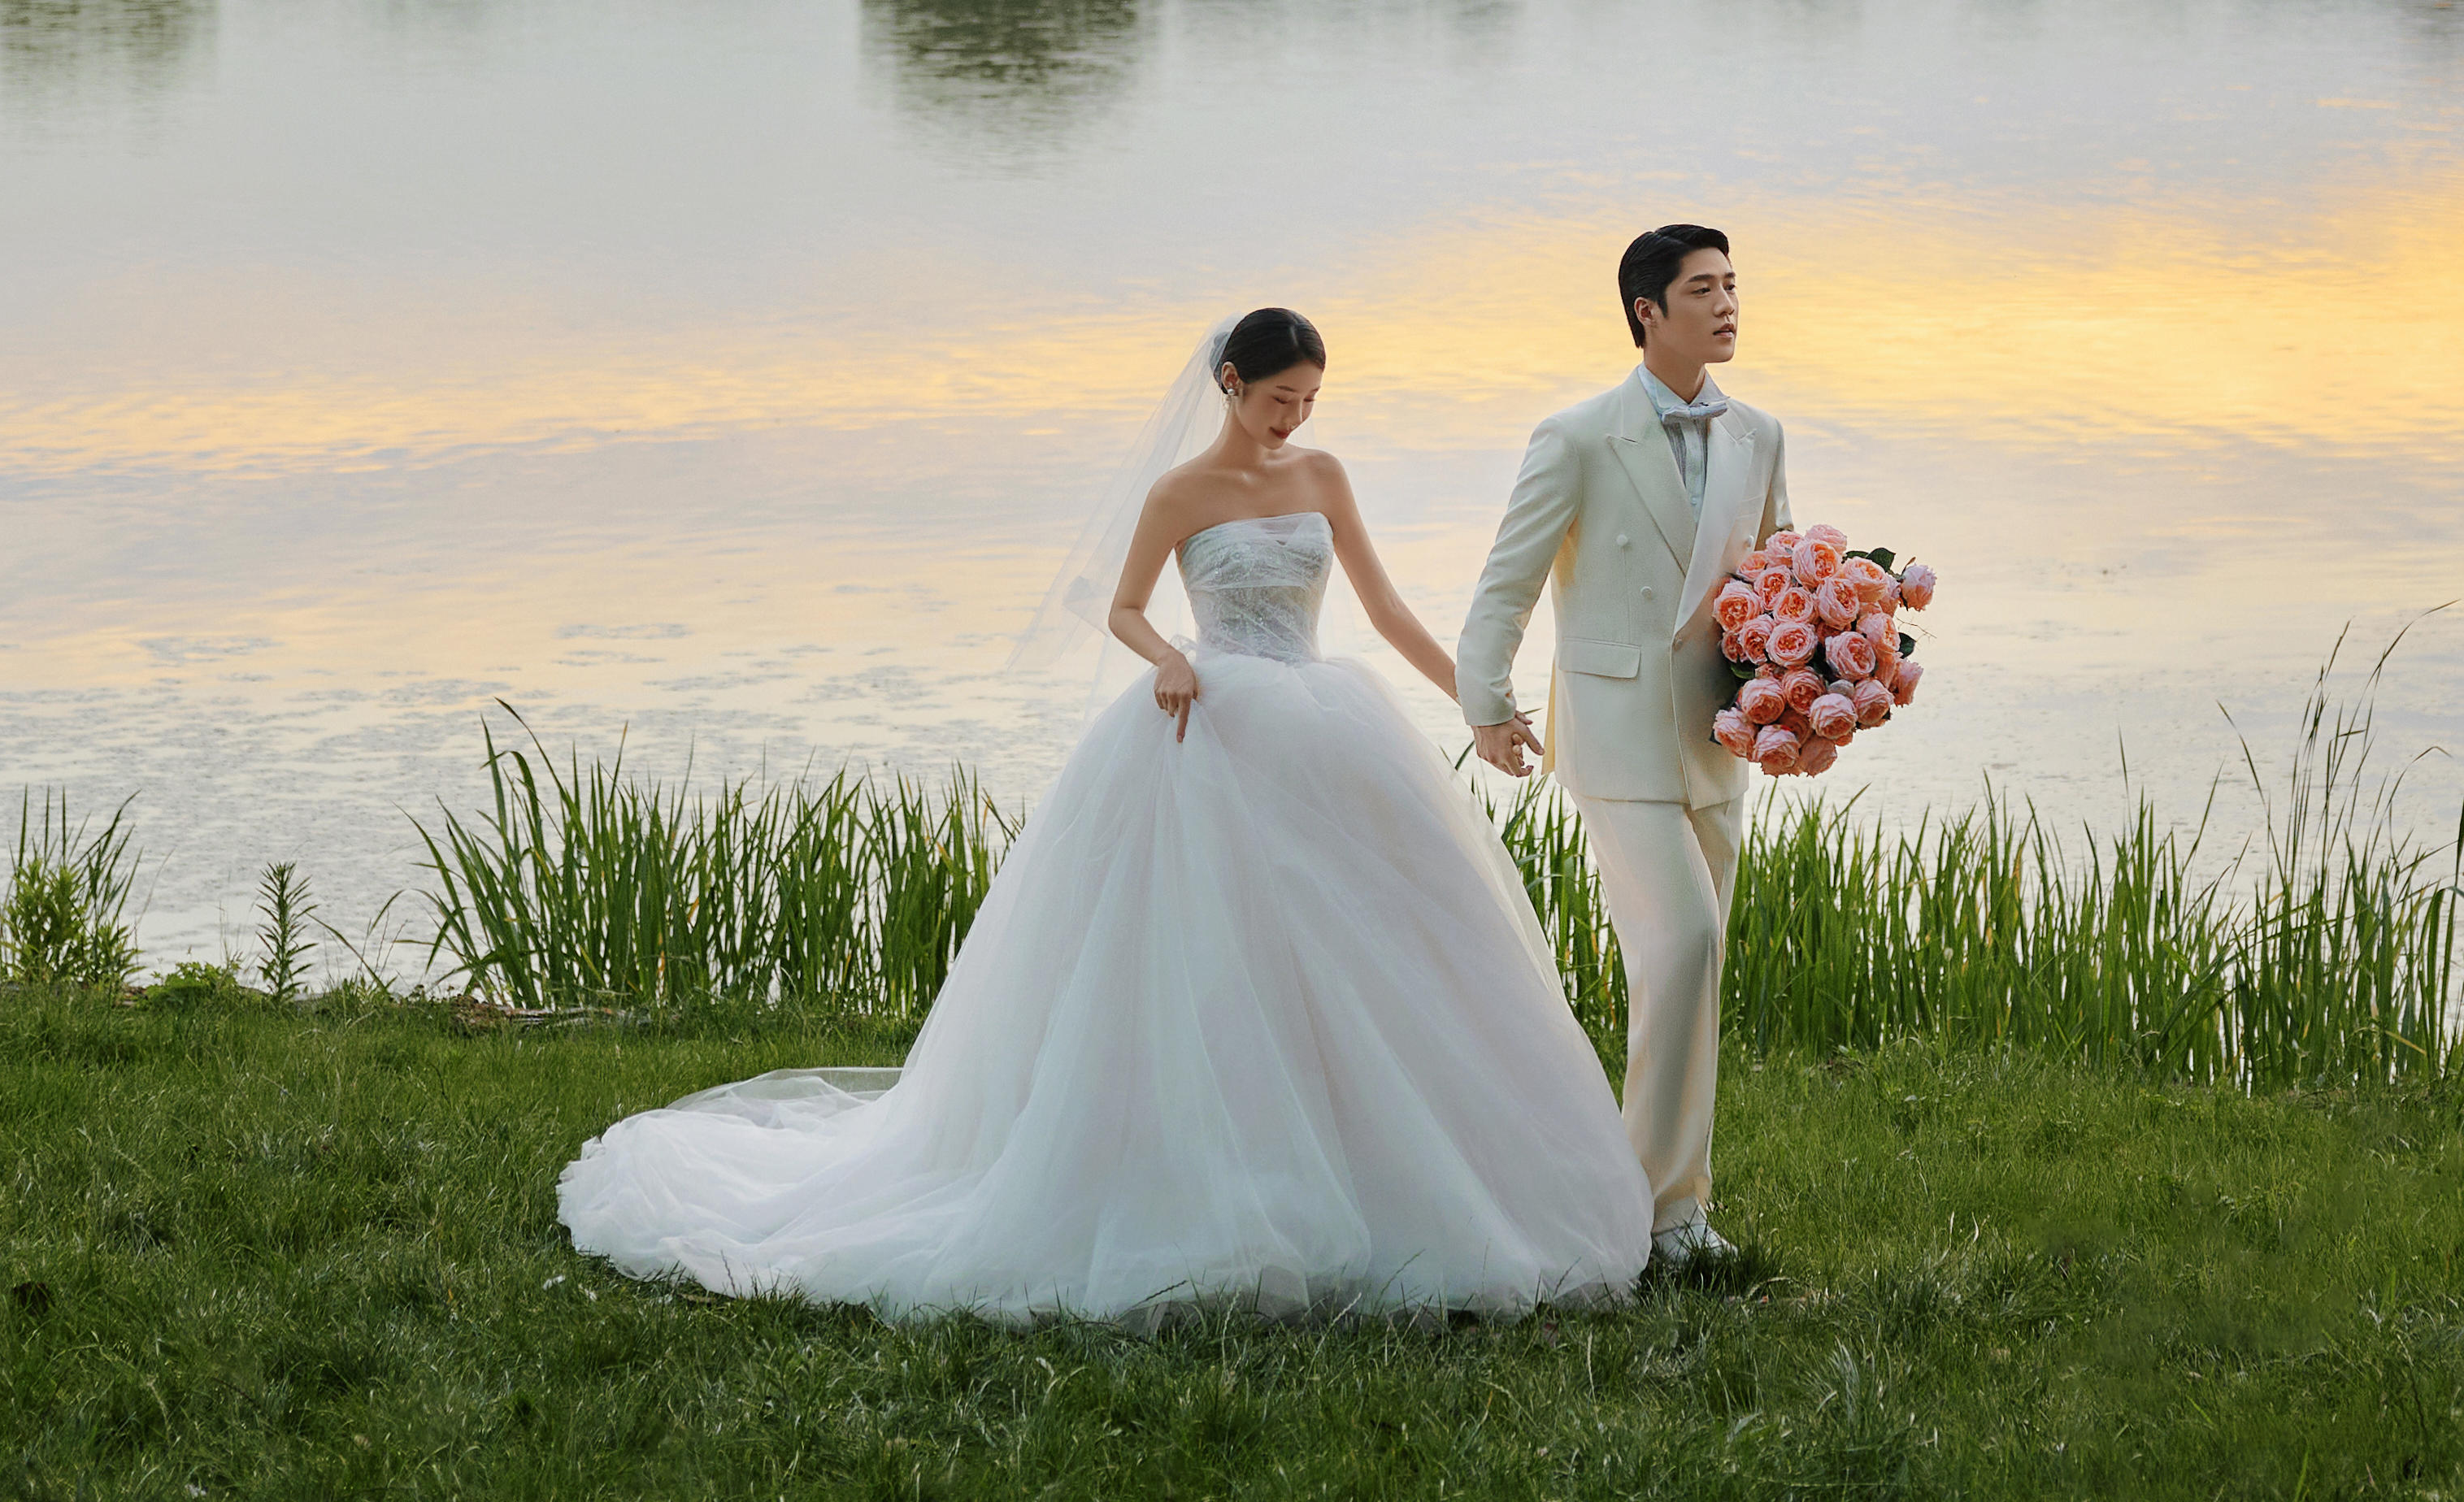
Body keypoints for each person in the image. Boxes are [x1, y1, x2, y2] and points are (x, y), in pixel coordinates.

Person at [556, 307, 1650, 1322]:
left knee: (1376, 949)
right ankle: (1213, 1179)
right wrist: (1172, 656)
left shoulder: (1321, 473)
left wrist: (1484, 708)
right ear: (1230, 383)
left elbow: (1382, 607)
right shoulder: (1177, 494)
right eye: (1278, 398)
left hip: (1320, 723)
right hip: (1209, 722)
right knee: (1207, 962)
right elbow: (1120, 606)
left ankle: (1395, 1175)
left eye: (1309, 399)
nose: (1295, 418)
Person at [1454, 224, 1783, 1269]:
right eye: (1703, 289)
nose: (1727, 304)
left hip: (1719, 737)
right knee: (1680, 947)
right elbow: (1506, 582)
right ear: (1648, 310)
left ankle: (1675, 1202)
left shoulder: (1758, 434)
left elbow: (1779, 583)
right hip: (1616, 734)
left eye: (1733, 286)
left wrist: (1812, 684)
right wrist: (1487, 703)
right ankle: (1647, 1215)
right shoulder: (1579, 436)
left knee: (1695, 964)